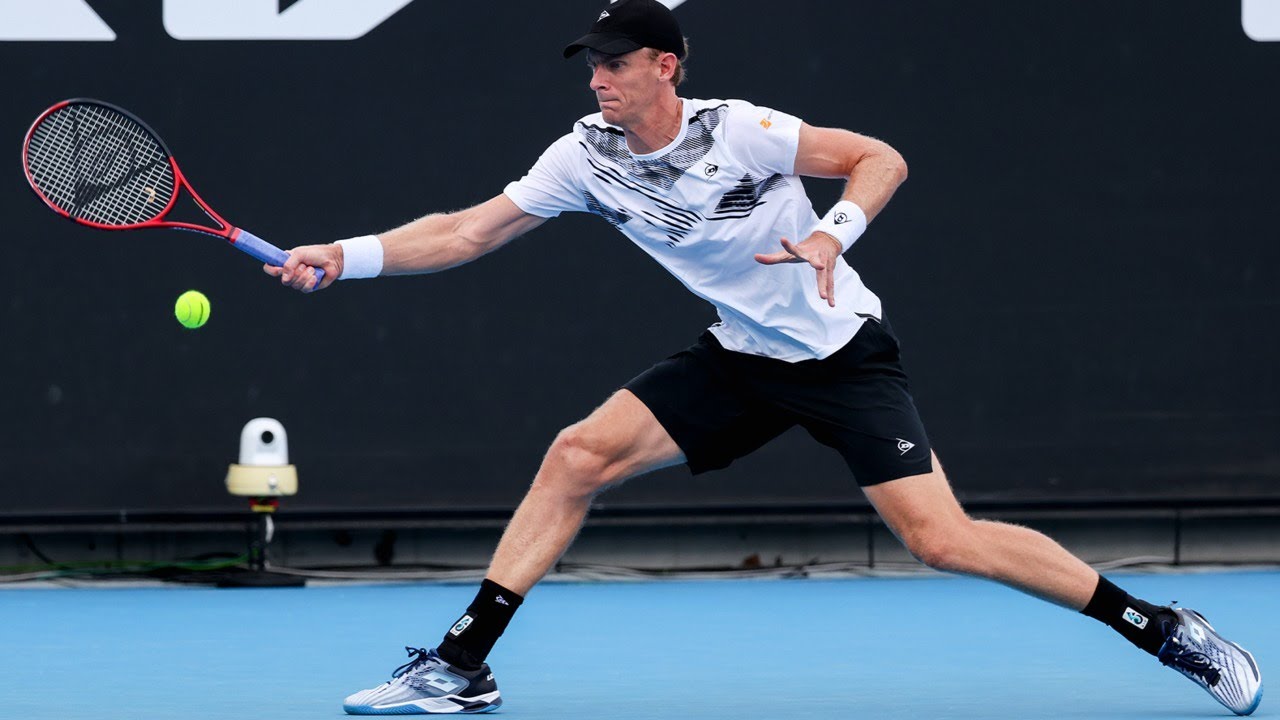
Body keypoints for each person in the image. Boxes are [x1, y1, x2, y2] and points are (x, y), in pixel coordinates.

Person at [266, 0, 1263, 715]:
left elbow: (881, 157)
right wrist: (342, 258)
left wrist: (831, 234)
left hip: (839, 356)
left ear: (666, 67)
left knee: (940, 540)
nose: (596, 77)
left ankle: (1158, 628)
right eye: (591, 63)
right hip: (737, 357)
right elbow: (468, 231)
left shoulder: (741, 131)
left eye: (614, 62)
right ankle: (462, 663)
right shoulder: (580, 155)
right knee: (576, 455)